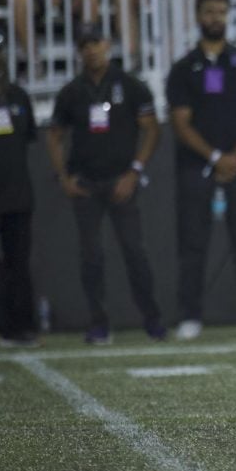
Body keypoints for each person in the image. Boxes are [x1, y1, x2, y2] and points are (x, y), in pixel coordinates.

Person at [45, 25, 165, 344]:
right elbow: (54, 136)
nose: (91, 50)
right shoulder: (72, 91)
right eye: (84, 45)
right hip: (86, 183)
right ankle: (99, 323)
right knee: (91, 256)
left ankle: (152, 318)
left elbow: (152, 129)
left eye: (95, 43)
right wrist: (63, 177)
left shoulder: (130, 85)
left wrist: (135, 171)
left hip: (121, 180)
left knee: (135, 253)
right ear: (78, 50)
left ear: (107, 45)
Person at [166, 0, 236, 341]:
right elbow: (181, 122)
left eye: (221, 11)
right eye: (209, 11)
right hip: (195, 166)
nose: (215, 18)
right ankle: (190, 316)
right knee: (192, 243)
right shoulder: (183, 68)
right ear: (198, 17)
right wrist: (214, 157)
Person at [0, 53, 37, 348]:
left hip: (17, 196)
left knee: (19, 265)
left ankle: (20, 328)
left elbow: (27, 139)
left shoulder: (19, 96)